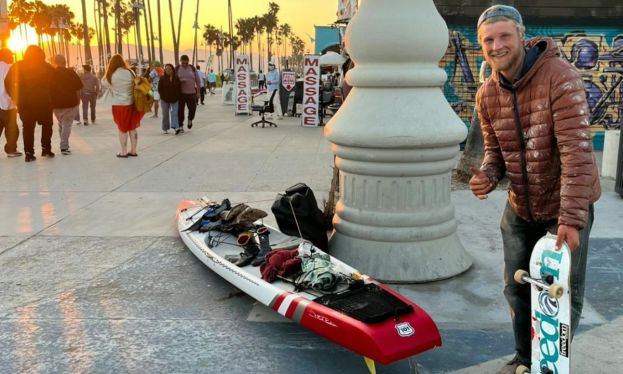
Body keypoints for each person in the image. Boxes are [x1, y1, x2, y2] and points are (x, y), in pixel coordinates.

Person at [469, 5, 601, 374]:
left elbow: (577, 152)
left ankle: (550, 363)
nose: (496, 46)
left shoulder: (560, 77)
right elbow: (496, 153)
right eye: (488, 40)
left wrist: (572, 218)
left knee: (557, 296)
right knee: (516, 288)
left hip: (564, 205)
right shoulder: (486, 94)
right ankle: (524, 360)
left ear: (522, 37)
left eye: (503, 36)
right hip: (520, 208)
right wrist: (487, 176)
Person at [5, 45, 56, 162]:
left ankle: (29, 153)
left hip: (25, 103)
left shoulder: (18, 66)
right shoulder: (46, 66)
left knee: (28, 128)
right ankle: (46, 149)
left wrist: (14, 97)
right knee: (47, 125)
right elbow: (56, 83)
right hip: (44, 102)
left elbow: (7, 82)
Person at [103, 54, 143, 158]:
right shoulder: (130, 72)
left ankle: (124, 152)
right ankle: (133, 151)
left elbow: (104, 83)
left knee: (122, 128)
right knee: (132, 127)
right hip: (132, 104)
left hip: (119, 104)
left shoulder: (111, 75)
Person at [50, 54, 83, 155]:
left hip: (55, 105)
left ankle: (63, 144)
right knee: (66, 126)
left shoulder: (52, 73)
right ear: (65, 62)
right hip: (70, 104)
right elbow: (78, 88)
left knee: (61, 125)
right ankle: (64, 146)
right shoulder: (71, 72)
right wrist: (78, 100)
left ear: (55, 62)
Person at [0, 48, 21, 158]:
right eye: (10, 55)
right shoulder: (7, 67)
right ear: (5, 55)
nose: (12, 57)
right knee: (12, 129)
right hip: (6, 103)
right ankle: (11, 150)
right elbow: (11, 85)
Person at [175, 55, 201, 130]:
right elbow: (173, 80)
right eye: (183, 63)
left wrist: (198, 92)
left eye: (186, 63)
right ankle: (180, 125)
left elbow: (198, 81)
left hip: (192, 93)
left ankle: (190, 119)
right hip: (181, 94)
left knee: (193, 108)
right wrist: (180, 81)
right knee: (180, 110)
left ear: (188, 62)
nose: (184, 65)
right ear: (181, 61)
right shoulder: (177, 69)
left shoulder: (192, 68)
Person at [158, 63, 181, 135]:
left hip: (175, 98)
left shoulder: (176, 78)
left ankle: (176, 127)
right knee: (165, 114)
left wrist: (178, 96)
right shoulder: (162, 78)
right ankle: (165, 128)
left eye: (169, 69)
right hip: (164, 99)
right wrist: (162, 97)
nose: (168, 70)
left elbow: (179, 88)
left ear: (173, 70)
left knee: (174, 113)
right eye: (166, 69)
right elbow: (159, 89)